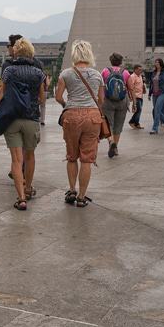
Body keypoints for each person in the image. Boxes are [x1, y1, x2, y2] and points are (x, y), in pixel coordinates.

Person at [56, 39, 104, 208]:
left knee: (72, 157)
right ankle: (82, 197)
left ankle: (71, 190)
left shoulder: (66, 74)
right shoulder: (97, 75)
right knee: (86, 159)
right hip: (93, 116)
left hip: (72, 115)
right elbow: (101, 100)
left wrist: (66, 105)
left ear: (74, 54)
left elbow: (58, 97)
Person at [0, 38, 46, 210]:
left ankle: (21, 198)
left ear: (16, 51)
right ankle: (28, 188)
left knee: (16, 160)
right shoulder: (38, 73)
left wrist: (1, 109)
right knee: (30, 156)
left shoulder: (9, 70)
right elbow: (42, 98)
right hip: (31, 119)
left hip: (12, 119)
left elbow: (1, 92)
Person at [101, 53, 130, 158]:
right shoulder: (125, 72)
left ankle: (111, 141)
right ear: (121, 62)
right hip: (122, 101)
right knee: (118, 125)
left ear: (111, 61)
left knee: (108, 124)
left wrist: (99, 101)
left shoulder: (105, 71)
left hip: (108, 101)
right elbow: (130, 88)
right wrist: (134, 103)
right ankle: (115, 148)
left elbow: (101, 86)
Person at [149, 58, 164, 135]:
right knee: (156, 111)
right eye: (155, 62)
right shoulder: (153, 72)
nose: (156, 63)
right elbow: (151, 84)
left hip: (163, 93)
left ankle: (154, 129)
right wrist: (149, 94)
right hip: (154, 94)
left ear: (161, 64)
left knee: (157, 110)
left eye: (158, 62)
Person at [127, 64, 145, 129]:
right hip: (136, 96)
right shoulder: (132, 77)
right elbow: (131, 87)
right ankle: (132, 122)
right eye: (139, 69)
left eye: (141, 70)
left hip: (140, 95)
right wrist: (131, 96)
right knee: (138, 109)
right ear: (135, 70)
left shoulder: (140, 76)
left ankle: (136, 123)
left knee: (139, 110)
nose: (140, 71)